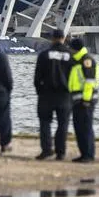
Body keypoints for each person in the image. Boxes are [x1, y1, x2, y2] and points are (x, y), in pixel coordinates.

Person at [33, 28, 72, 161]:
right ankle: (60, 152)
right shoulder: (70, 55)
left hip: (46, 94)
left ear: (52, 38)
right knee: (63, 124)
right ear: (63, 38)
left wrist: (40, 92)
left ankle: (46, 150)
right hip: (65, 95)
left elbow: (37, 78)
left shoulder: (44, 54)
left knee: (45, 123)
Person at [68, 36, 99, 163]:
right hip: (77, 100)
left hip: (85, 101)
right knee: (79, 128)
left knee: (85, 127)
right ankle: (84, 154)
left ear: (75, 49)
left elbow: (90, 82)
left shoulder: (86, 60)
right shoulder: (77, 60)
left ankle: (88, 154)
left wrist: (86, 100)